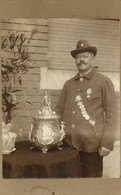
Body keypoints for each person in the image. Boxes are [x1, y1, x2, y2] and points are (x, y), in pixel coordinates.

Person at [55, 39, 118, 177]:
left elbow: (112, 114)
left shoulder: (103, 82)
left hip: (92, 147)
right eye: (78, 57)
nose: (81, 60)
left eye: (85, 56)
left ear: (92, 58)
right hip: (69, 146)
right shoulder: (69, 84)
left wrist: (107, 142)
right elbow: (59, 111)